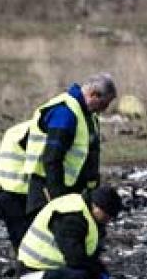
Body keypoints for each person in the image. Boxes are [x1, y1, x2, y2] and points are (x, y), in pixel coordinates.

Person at [18, 185, 123, 279]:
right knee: (81, 277)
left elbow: (88, 256)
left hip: (49, 271)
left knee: (87, 276)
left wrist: (103, 275)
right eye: (107, 216)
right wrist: (98, 278)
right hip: (33, 275)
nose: (108, 221)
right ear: (96, 206)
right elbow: (75, 259)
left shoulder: (86, 213)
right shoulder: (71, 217)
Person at [23, 73, 117, 216]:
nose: (104, 110)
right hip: (49, 189)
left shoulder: (89, 116)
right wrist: (58, 200)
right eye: (104, 104)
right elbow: (52, 158)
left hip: (72, 190)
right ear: (94, 95)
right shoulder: (65, 112)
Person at [0, 120, 34, 253]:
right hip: (21, 191)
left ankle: (23, 268)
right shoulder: (39, 132)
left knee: (18, 237)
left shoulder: (17, 129)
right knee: (28, 239)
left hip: (2, 187)